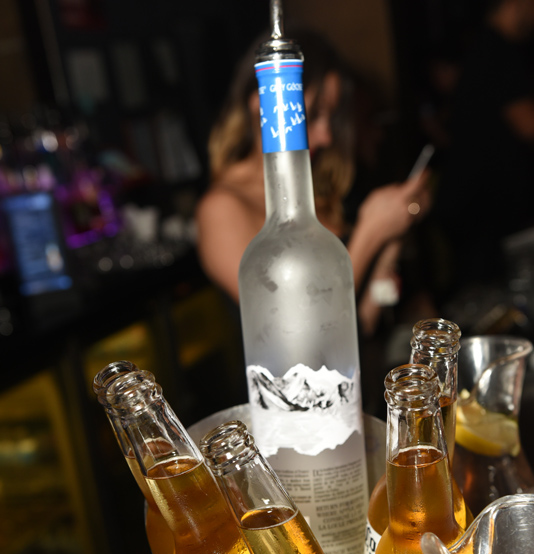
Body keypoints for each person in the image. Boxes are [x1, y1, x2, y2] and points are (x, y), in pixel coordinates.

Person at [195, 29, 431, 338]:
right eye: (313, 115)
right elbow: (298, 333)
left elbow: (358, 325)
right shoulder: (220, 208)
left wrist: (393, 234)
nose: (326, 136)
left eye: (331, 117)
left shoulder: (311, 188)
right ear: (265, 104)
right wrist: (370, 233)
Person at [434, 0, 534, 293]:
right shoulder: (496, 51)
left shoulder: (495, 47)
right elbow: (528, 124)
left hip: (488, 208)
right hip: (483, 210)